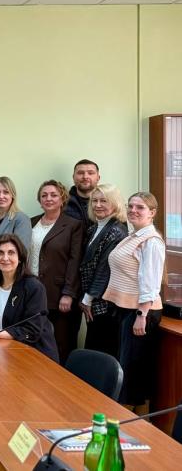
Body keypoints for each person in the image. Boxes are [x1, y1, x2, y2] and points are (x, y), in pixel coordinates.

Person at [103, 192, 165, 409]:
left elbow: (151, 282)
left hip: (140, 312)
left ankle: (129, 422)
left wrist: (141, 315)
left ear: (152, 213)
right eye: (130, 206)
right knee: (128, 369)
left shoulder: (151, 241)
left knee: (132, 373)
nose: (133, 210)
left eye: (140, 207)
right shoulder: (133, 237)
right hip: (126, 309)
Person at [0, 234, 59, 362]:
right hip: (2, 351)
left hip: (34, 356)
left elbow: (32, 330)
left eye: (11, 253)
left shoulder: (33, 287)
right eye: (0, 253)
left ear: (20, 258)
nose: (5, 258)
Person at [30, 180, 83, 364]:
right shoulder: (31, 222)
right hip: (33, 292)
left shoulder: (73, 225)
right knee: (35, 342)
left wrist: (68, 293)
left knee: (60, 344)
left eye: (53, 195)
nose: (48, 199)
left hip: (58, 294)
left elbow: (75, 261)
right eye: (44, 195)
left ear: (62, 198)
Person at [78, 184, 128, 357]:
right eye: (94, 201)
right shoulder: (93, 228)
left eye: (104, 201)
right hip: (94, 302)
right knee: (93, 349)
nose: (98, 205)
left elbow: (104, 269)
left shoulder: (116, 231)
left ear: (114, 203)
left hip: (105, 305)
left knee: (102, 352)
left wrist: (87, 299)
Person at [0, 176, 32, 251]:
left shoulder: (21, 219)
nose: (1, 196)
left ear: (12, 195)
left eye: (6, 192)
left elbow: (22, 251)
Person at [65, 159, 100, 232]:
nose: (85, 177)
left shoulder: (109, 202)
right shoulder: (63, 203)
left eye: (90, 173)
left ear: (98, 178)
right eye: (80, 173)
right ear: (73, 177)